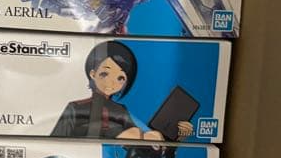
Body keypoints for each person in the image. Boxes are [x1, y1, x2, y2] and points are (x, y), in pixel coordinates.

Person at [50, 41, 193, 141]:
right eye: (105, 74)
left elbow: (145, 146)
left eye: (120, 78)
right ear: (93, 74)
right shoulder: (75, 107)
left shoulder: (121, 110)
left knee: (151, 136)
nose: (111, 83)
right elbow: (54, 144)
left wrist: (177, 137)